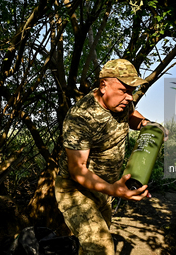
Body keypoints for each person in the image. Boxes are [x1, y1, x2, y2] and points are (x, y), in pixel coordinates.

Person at [55, 59, 153, 255]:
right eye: (123, 90)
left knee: (92, 245)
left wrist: (146, 124)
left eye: (131, 91)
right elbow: (77, 170)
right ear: (103, 86)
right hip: (76, 191)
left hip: (103, 189)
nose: (129, 97)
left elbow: (131, 115)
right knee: (101, 248)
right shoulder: (81, 117)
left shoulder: (121, 103)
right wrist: (114, 190)